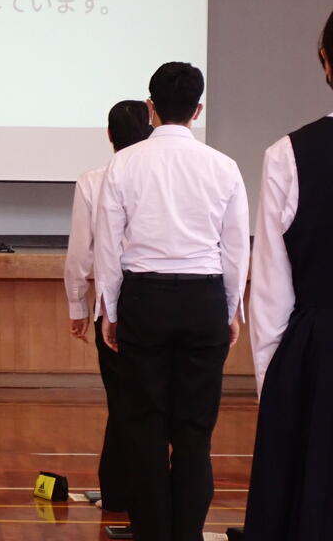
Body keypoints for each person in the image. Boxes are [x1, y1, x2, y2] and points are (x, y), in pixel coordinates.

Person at [94, 62, 250, 541]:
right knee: (194, 434)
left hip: (145, 299)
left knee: (144, 431)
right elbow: (235, 249)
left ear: (151, 108)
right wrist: (230, 309)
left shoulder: (123, 164)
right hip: (204, 300)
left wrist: (111, 311)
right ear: (197, 110)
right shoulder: (223, 166)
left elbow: (108, 246)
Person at [243, 9, 333, 541]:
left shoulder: (288, 154)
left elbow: (271, 289)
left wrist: (273, 388)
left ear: (326, 61)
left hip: (316, 358)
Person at [64, 100, 152, 513]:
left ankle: (120, 490)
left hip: (114, 303)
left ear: (109, 134)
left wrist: (76, 305)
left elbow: (81, 252)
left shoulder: (95, 179)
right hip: (168, 297)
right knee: (155, 401)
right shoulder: (162, 173)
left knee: (121, 399)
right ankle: (147, 492)